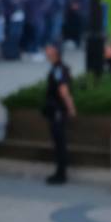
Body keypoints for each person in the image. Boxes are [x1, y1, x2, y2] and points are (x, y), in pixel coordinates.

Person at [43, 43, 76, 185]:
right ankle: (59, 172)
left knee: (60, 142)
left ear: (55, 51)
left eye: (49, 48)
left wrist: (70, 108)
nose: (46, 51)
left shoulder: (59, 69)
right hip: (56, 110)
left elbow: (63, 90)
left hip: (58, 110)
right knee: (58, 142)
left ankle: (61, 174)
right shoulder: (58, 68)